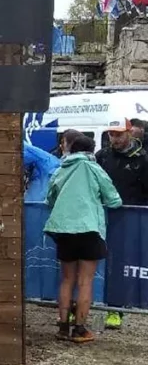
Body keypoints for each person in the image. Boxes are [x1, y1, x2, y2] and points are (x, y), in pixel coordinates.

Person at [44, 133, 123, 343]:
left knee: (67, 279)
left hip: (63, 229)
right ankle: (79, 330)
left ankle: (63, 327)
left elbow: (49, 198)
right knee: (85, 281)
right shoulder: (94, 168)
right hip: (89, 229)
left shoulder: (61, 169)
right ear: (90, 151)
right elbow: (114, 199)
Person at [95, 119, 148, 329]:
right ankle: (76, 307)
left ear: (129, 133)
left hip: (129, 219)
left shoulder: (142, 159)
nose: (114, 139)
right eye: (111, 134)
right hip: (101, 216)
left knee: (119, 264)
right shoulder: (102, 156)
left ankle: (115, 309)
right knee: (90, 260)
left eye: (118, 134)